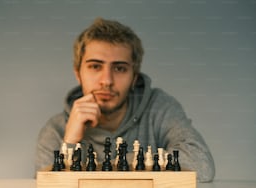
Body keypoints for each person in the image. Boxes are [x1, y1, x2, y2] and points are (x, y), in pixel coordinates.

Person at [35, 17, 215, 182]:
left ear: (134, 77)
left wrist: (119, 163)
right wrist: (70, 142)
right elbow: (47, 183)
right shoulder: (55, 130)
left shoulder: (160, 108)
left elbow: (202, 166)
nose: (107, 81)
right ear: (78, 73)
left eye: (119, 68)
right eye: (95, 66)